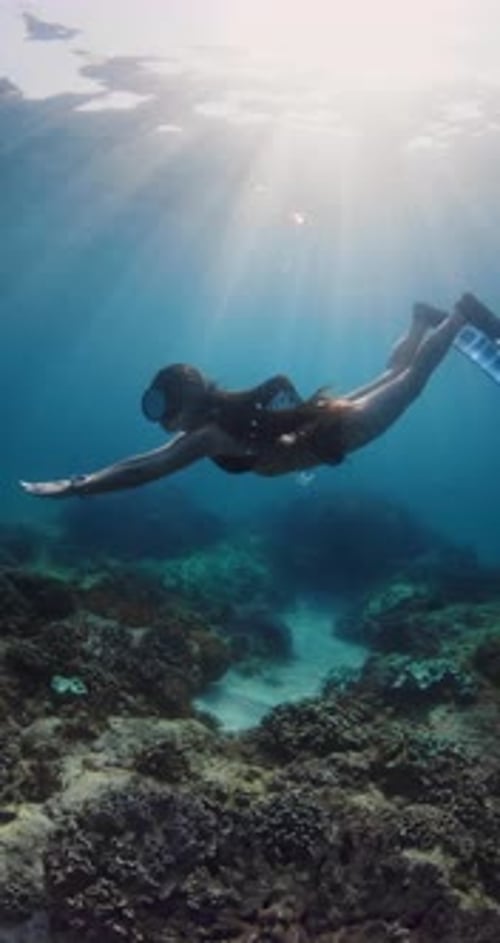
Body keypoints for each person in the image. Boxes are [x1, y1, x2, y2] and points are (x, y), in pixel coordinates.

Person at [20, 293, 500, 499]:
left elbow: (143, 469)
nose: (161, 418)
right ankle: (422, 318)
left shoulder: (204, 436)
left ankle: (460, 315)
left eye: (161, 406)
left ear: (185, 400)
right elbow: (145, 461)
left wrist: (78, 487)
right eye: (154, 405)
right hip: (329, 423)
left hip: (342, 430)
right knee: (393, 372)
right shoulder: (218, 415)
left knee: (411, 382)